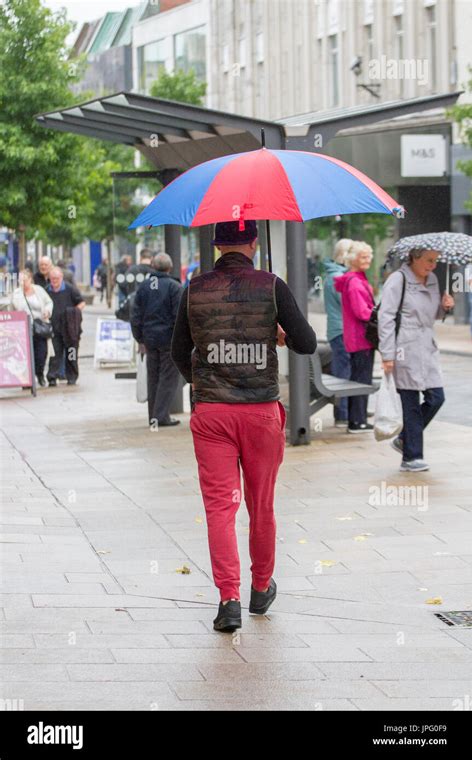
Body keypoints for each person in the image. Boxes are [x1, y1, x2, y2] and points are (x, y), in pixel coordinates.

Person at [171, 220, 317, 633]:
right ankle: (261, 587)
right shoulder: (272, 285)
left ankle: (228, 599)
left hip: (212, 414)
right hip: (260, 413)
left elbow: (178, 350)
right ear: (253, 242)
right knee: (261, 504)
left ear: (217, 244)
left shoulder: (193, 289)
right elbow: (306, 343)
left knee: (220, 508)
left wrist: (202, 384)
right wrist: (280, 335)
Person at [379, 249, 454, 472]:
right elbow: (386, 318)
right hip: (405, 347)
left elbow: (433, 315)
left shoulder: (432, 279)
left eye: (435, 261)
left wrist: (445, 307)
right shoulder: (398, 279)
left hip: (427, 346)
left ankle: (404, 439)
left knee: (436, 398)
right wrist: (387, 354)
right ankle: (412, 457)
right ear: (414, 257)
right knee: (410, 402)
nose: (433, 265)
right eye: (429, 260)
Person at [131, 253, 183, 429]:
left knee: (153, 376)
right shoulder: (174, 287)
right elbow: (178, 316)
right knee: (168, 377)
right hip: (168, 339)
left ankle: (153, 415)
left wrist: (140, 337)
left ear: (153, 266)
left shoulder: (144, 287)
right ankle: (161, 416)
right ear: (169, 267)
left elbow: (135, 315)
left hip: (150, 339)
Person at [334, 241, 375, 433]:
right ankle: (357, 421)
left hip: (355, 338)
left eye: (369, 256)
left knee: (357, 378)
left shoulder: (353, 279)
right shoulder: (355, 282)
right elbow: (362, 313)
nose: (368, 260)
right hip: (361, 338)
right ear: (354, 259)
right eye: (363, 256)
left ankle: (356, 419)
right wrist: (378, 314)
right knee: (361, 380)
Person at [323, 238, 353, 427]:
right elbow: (348, 305)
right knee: (343, 373)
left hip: (337, 329)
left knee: (344, 370)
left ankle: (347, 410)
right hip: (342, 330)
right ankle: (342, 414)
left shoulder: (333, 274)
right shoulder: (339, 277)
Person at [11, 269, 53, 387]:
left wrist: (47, 311)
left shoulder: (39, 290)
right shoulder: (17, 294)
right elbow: (12, 309)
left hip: (39, 326)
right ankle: (28, 380)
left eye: (24, 280)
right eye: (20, 280)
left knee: (41, 353)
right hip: (24, 328)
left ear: (30, 279)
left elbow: (49, 302)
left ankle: (40, 374)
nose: (22, 283)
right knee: (26, 355)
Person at [46, 267, 85, 387]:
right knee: (55, 353)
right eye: (52, 278)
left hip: (70, 329)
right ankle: (52, 376)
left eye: (57, 278)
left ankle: (72, 376)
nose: (54, 281)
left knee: (71, 353)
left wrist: (74, 313)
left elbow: (81, 302)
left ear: (61, 277)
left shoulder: (70, 289)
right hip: (54, 327)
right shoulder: (47, 290)